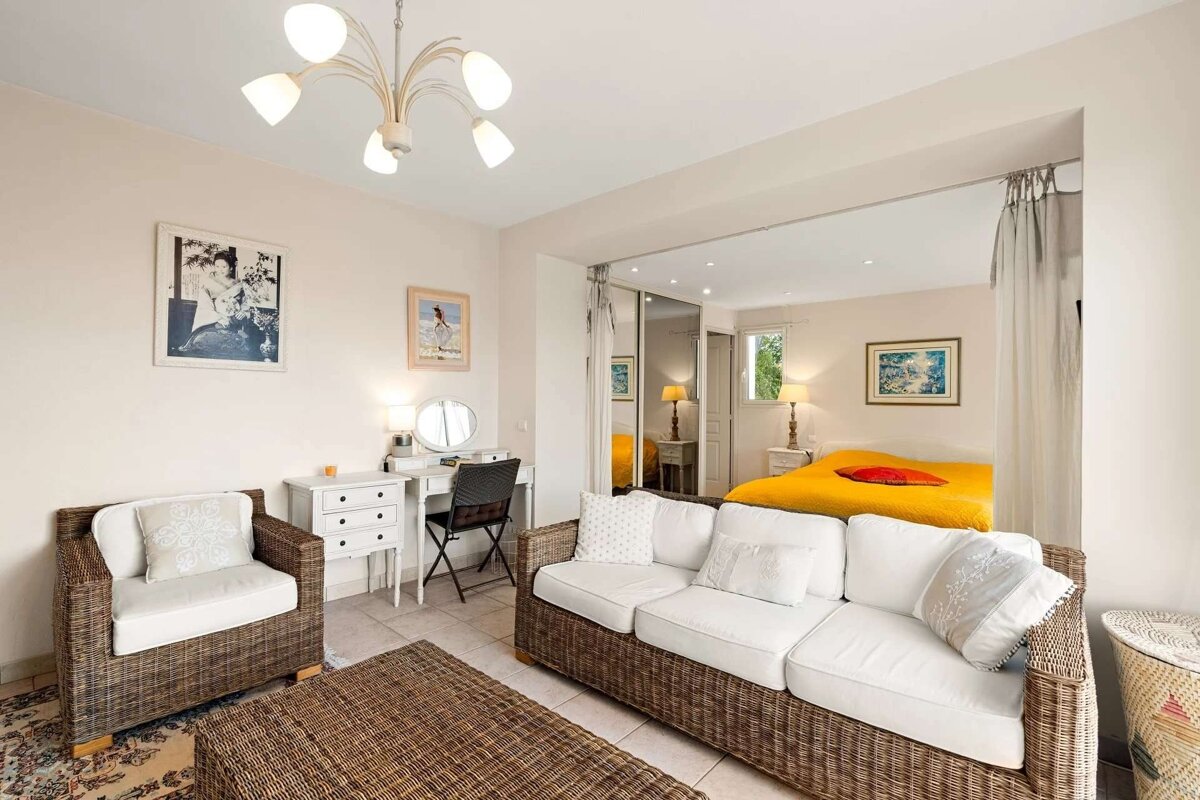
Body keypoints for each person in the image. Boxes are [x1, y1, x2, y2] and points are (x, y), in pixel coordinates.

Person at [178, 251, 255, 358]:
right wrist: (219, 318)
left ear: (231, 267)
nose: (220, 269)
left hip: (233, 322)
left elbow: (245, 303)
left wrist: (243, 312)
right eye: (217, 266)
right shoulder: (208, 283)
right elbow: (204, 306)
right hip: (212, 322)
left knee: (244, 346)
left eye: (224, 266)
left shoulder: (239, 285)